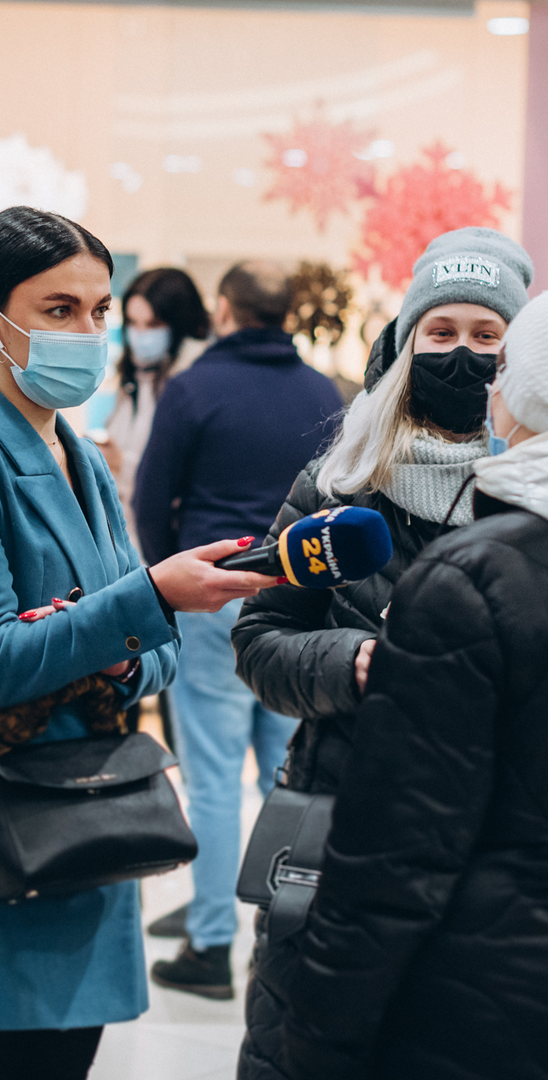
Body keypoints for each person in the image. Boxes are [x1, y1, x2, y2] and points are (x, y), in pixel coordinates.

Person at [243, 278, 548, 1079]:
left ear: (547, 389)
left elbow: (394, 861)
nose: (488, 380)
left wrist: (318, 1036)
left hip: (457, 1007)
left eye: (505, 359)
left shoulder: (471, 579)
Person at [0, 207, 279, 1080]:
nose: (90, 333)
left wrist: (134, 631)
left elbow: (150, 656)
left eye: (100, 310)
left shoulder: (81, 458)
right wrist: (148, 601)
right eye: (60, 311)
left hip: (88, 824)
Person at [234, 226, 532, 795]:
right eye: (440, 332)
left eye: (486, 335)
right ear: (402, 349)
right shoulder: (341, 483)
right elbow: (260, 641)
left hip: (501, 807)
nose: (463, 354)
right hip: (354, 789)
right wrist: (353, 661)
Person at [133, 261, 344, 1000]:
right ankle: (275, 938)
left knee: (215, 778)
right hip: (297, 605)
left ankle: (211, 942)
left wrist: (168, 587)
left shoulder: (193, 389)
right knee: (286, 779)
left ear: (224, 310)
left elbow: (151, 501)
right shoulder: (325, 392)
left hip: (215, 599)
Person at [102, 267, 210, 534]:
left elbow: (181, 478)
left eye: (153, 325)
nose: (140, 334)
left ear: (179, 325)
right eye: (132, 322)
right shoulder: (136, 375)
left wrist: (121, 462)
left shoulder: (193, 384)